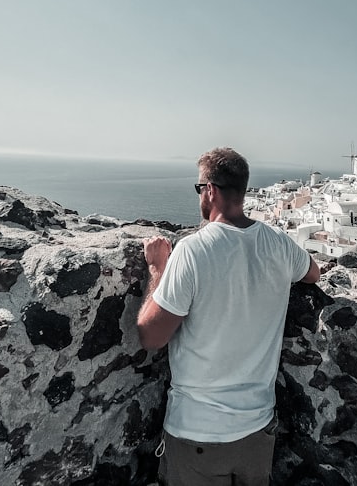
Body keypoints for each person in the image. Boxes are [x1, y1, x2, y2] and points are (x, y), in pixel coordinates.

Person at [137, 147, 321, 486]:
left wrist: (157, 269)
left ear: (210, 190)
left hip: (198, 435)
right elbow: (313, 273)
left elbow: (151, 337)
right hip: (257, 432)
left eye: (198, 190)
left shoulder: (192, 250)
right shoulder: (278, 242)